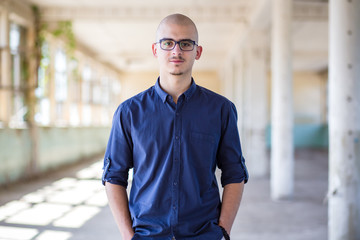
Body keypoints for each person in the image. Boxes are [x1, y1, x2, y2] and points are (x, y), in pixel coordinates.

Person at [102, 13, 249, 240]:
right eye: (168, 43)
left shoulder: (221, 110)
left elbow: (235, 174)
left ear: (197, 52)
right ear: (155, 50)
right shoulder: (129, 112)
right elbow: (113, 176)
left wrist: (223, 231)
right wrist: (128, 236)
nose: (176, 51)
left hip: (203, 234)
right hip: (146, 235)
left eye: (186, 44)